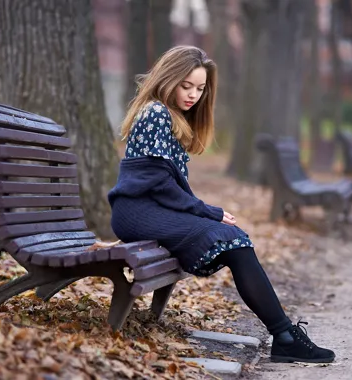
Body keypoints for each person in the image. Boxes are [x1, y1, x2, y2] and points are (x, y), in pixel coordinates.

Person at [107, 45, 335, 364]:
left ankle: (284, 336)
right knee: (232, 240)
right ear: (167, 79)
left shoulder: (169, 116)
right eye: (185, 86)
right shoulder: (155, 112)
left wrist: (205, 212)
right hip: (138, 211)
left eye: (200, 89)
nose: (193, 95)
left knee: (235, 239)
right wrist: (207, 210)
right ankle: (285, 337)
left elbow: (165, 186)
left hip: (151, 209)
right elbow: (159, 185)